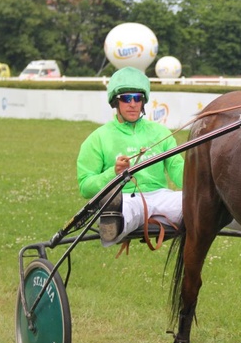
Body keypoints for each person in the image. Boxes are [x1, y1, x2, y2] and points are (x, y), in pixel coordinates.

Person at [77, 67, 184, 246]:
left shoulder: (161, 133)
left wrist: (201, 176)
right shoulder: (98, 138)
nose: (133, 103)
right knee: (124, 209)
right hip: (124, 199)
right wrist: (114, 172)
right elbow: (85, 187)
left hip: (160, 197)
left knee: (198, 204)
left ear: (143, 102)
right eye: (126, 98)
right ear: (115, 102)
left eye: (138, 98)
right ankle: (113, 223)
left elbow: (178, 171)